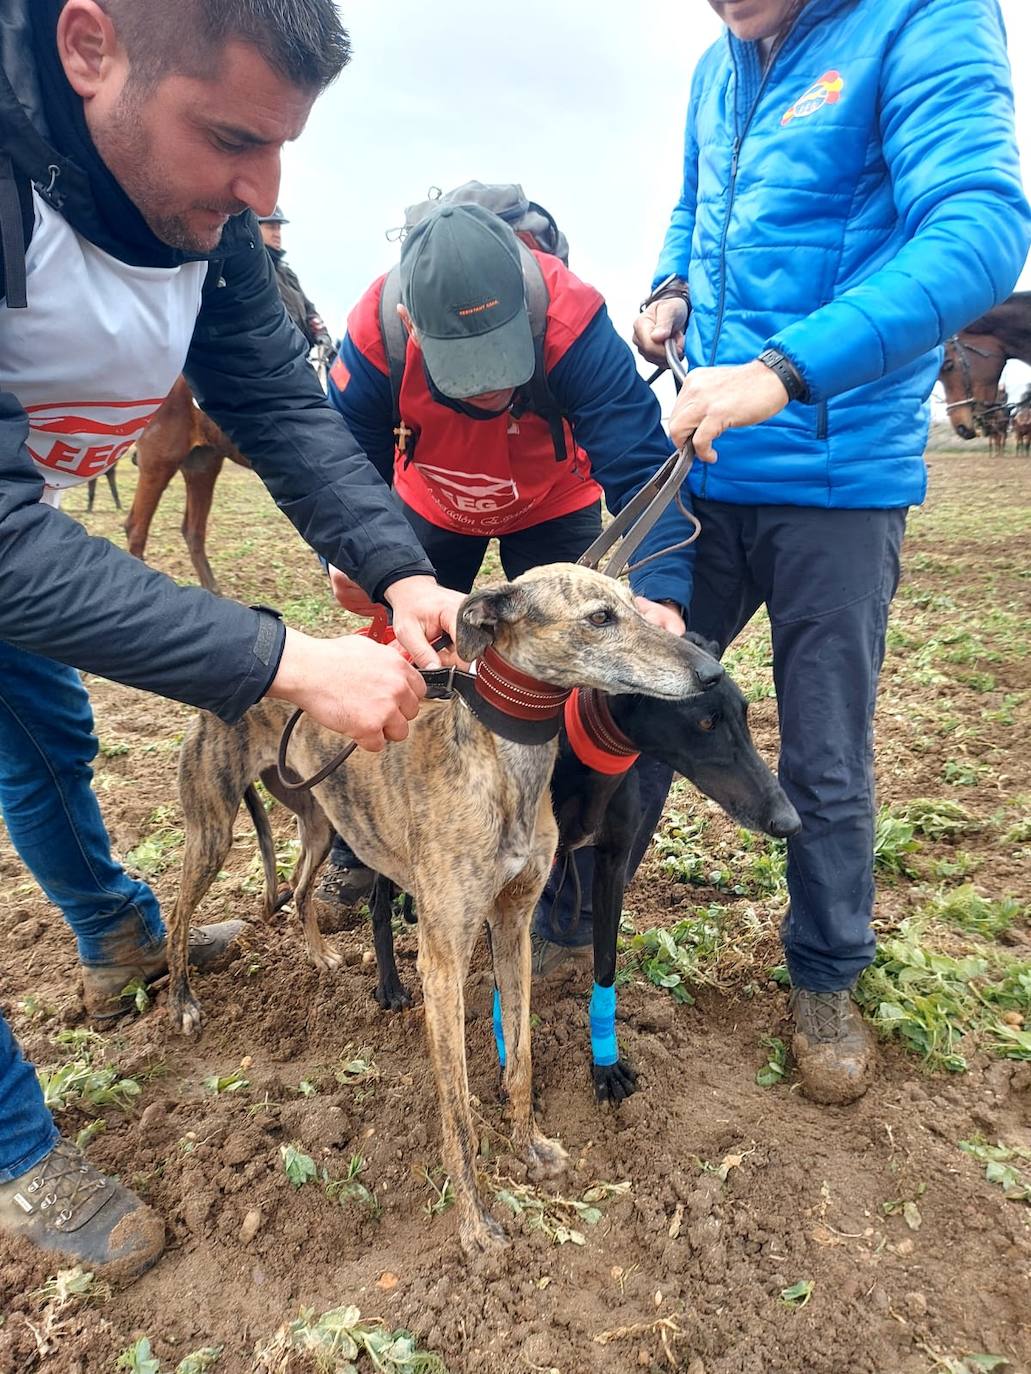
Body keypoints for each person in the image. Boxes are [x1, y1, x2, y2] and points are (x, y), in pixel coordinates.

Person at [0, 0, 464, 1280]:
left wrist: (397, 569)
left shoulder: (209, 222)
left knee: (47, 740)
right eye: (228, 140)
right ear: (90, 50)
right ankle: (12, 1148)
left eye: (281, 150)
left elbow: (274, 401)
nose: (259, 191)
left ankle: (117, 937)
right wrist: (286, 661)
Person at [632, 0, 1030, 1104]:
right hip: (703, 475)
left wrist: (783, 368)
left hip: (835, 484)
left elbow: (976, 231)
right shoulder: (723, 58)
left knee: (821, 752)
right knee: (631, 705)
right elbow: (696, 210)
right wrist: (668, 285)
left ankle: (822, 973)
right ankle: (574, 928)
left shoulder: (924, 20)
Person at [322, 201, 693, 921]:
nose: (488, 389)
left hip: (551, 503)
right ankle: (362, 854)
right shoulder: (373, 335)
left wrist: (664, 597)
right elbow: (339, 466)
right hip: (428, 509)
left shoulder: (574, 322)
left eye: (501, 364)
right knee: (409, 666)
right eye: (465, 372)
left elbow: (642, 470)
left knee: (557, 676)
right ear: (410, 327)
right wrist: (357, 557)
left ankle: (533, 846)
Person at [257, 203, 335, 355]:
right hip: (278, 360)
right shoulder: (255, 273)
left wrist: (322, 336)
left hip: (305, 357)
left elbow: (309, 310)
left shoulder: (287, 274)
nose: (277, 233)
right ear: (255, 228)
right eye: (271, 227)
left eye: (279, 228)